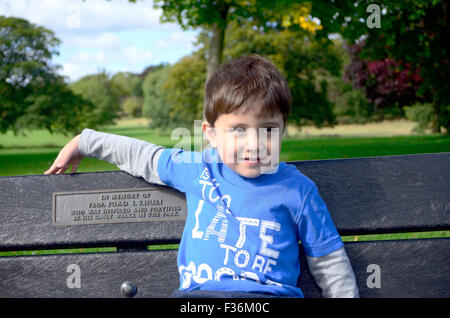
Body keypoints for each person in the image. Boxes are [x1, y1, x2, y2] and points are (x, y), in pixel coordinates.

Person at [45, 54, 359, 298]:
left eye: (268, 130)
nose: (254, 144)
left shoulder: (297, 190)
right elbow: (143, 156)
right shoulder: (200, 169)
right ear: (210, 134)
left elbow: (330, 262)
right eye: (238, 130)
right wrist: (85, 141)